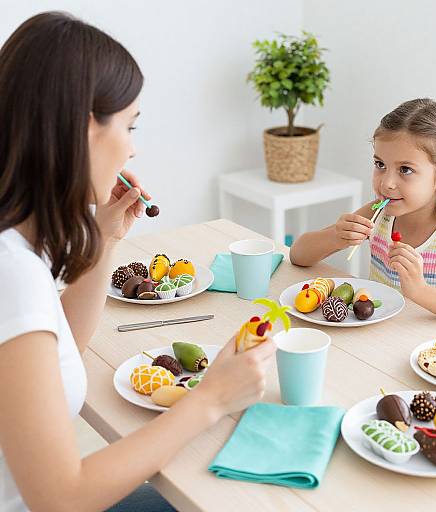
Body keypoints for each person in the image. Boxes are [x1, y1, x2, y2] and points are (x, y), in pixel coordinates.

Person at [0, 12, 276, 512]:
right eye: (129, 126)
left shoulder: (17, 247)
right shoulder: (10, 271)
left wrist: (105, 239)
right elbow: (62, 498)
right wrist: (208, 399)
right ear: (83, 130)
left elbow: (61, 348)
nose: (132, 147)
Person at [290, 98, 436, 339]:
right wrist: (335, 237)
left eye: (405, 169)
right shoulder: (379, 214)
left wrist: (421, 291)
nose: (386, 183)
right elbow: (298, 255)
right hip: (375, 346)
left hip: (430, 358)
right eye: (380, 164)